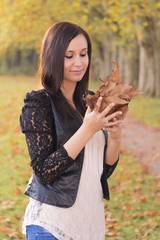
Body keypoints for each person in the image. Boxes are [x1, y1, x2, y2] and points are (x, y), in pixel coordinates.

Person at [20, 21, 124, 240]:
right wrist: (87, 129)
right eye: (69, 56)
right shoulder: (38, 103)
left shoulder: (91, 101)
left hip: (89, 225)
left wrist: (115, 137)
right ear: (53, 56)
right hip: (51, 226)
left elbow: (101, 172)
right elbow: (45, 170)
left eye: (83, 54)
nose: (79, 62)